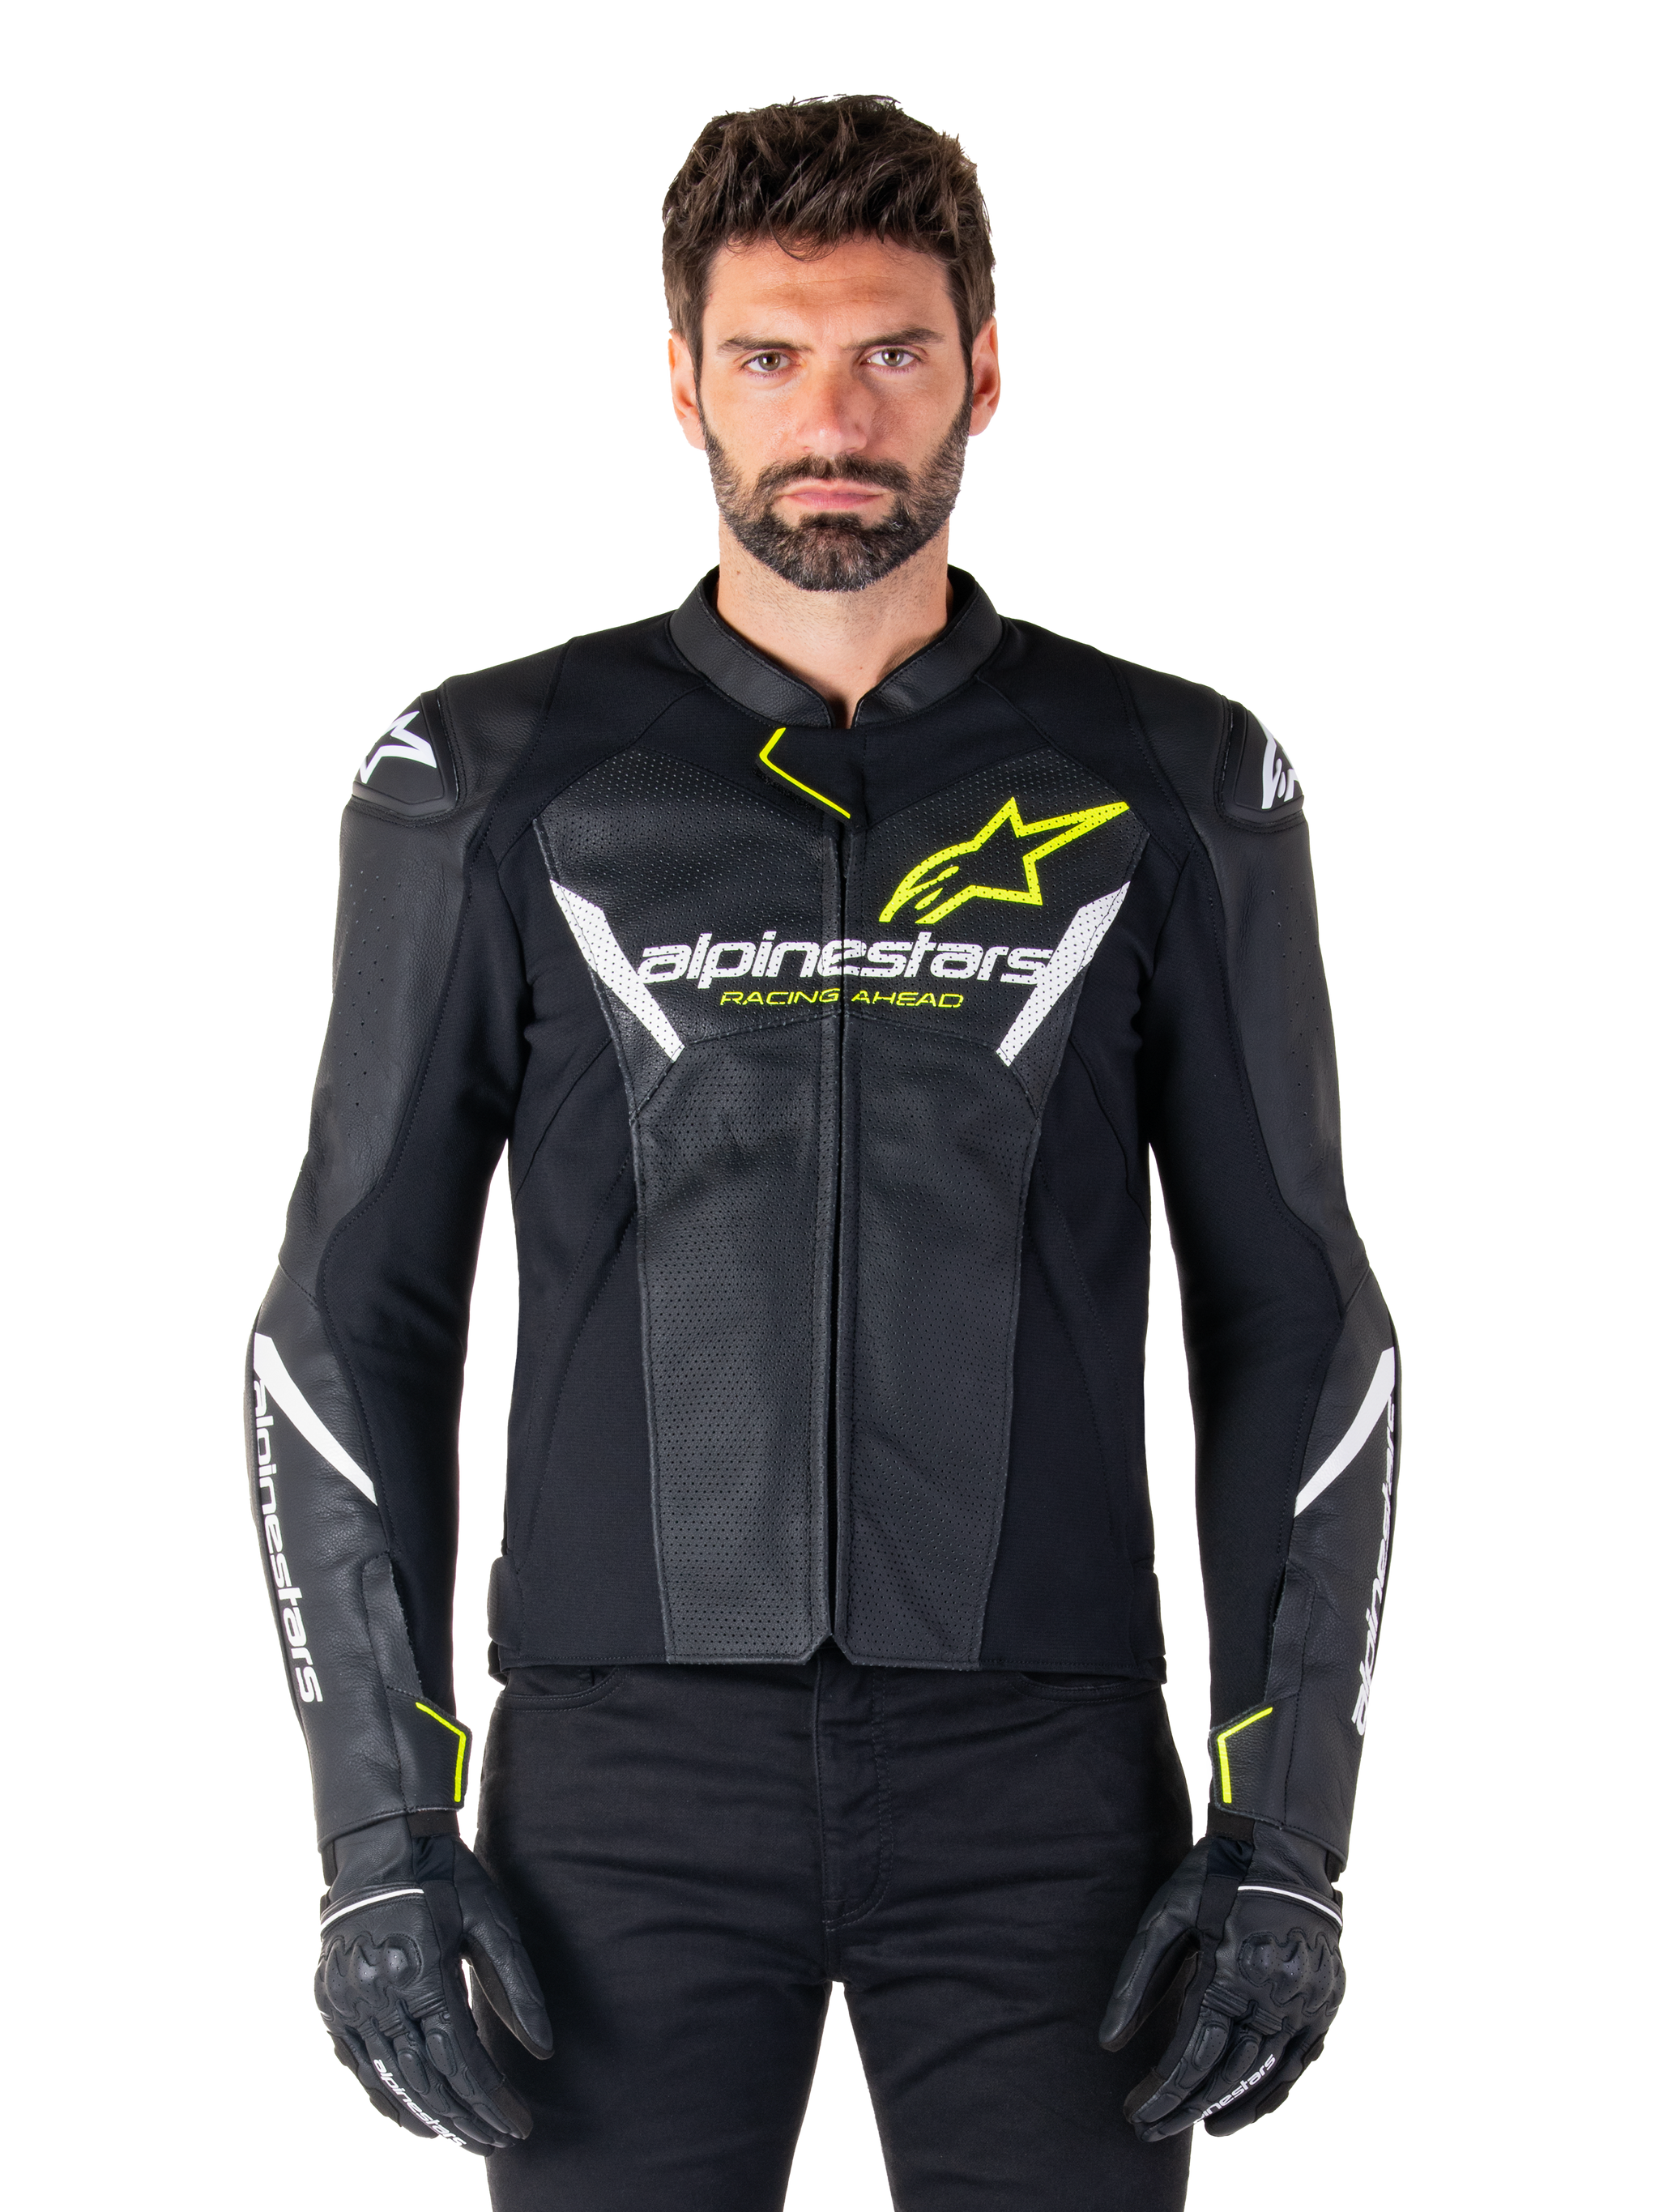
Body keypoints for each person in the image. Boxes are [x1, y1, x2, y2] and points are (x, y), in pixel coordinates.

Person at [246, 92, 1401, 2210]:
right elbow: (350, 1313)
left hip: (1048, 1780)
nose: (834, 420)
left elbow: (1299, 1317)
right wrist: (377, 1829)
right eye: (772, 356)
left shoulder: (1177, 778)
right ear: (685, 382)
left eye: (890, 352)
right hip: (617, 1788)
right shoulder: (489, 774)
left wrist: (1289, 1832)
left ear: (985, 374)